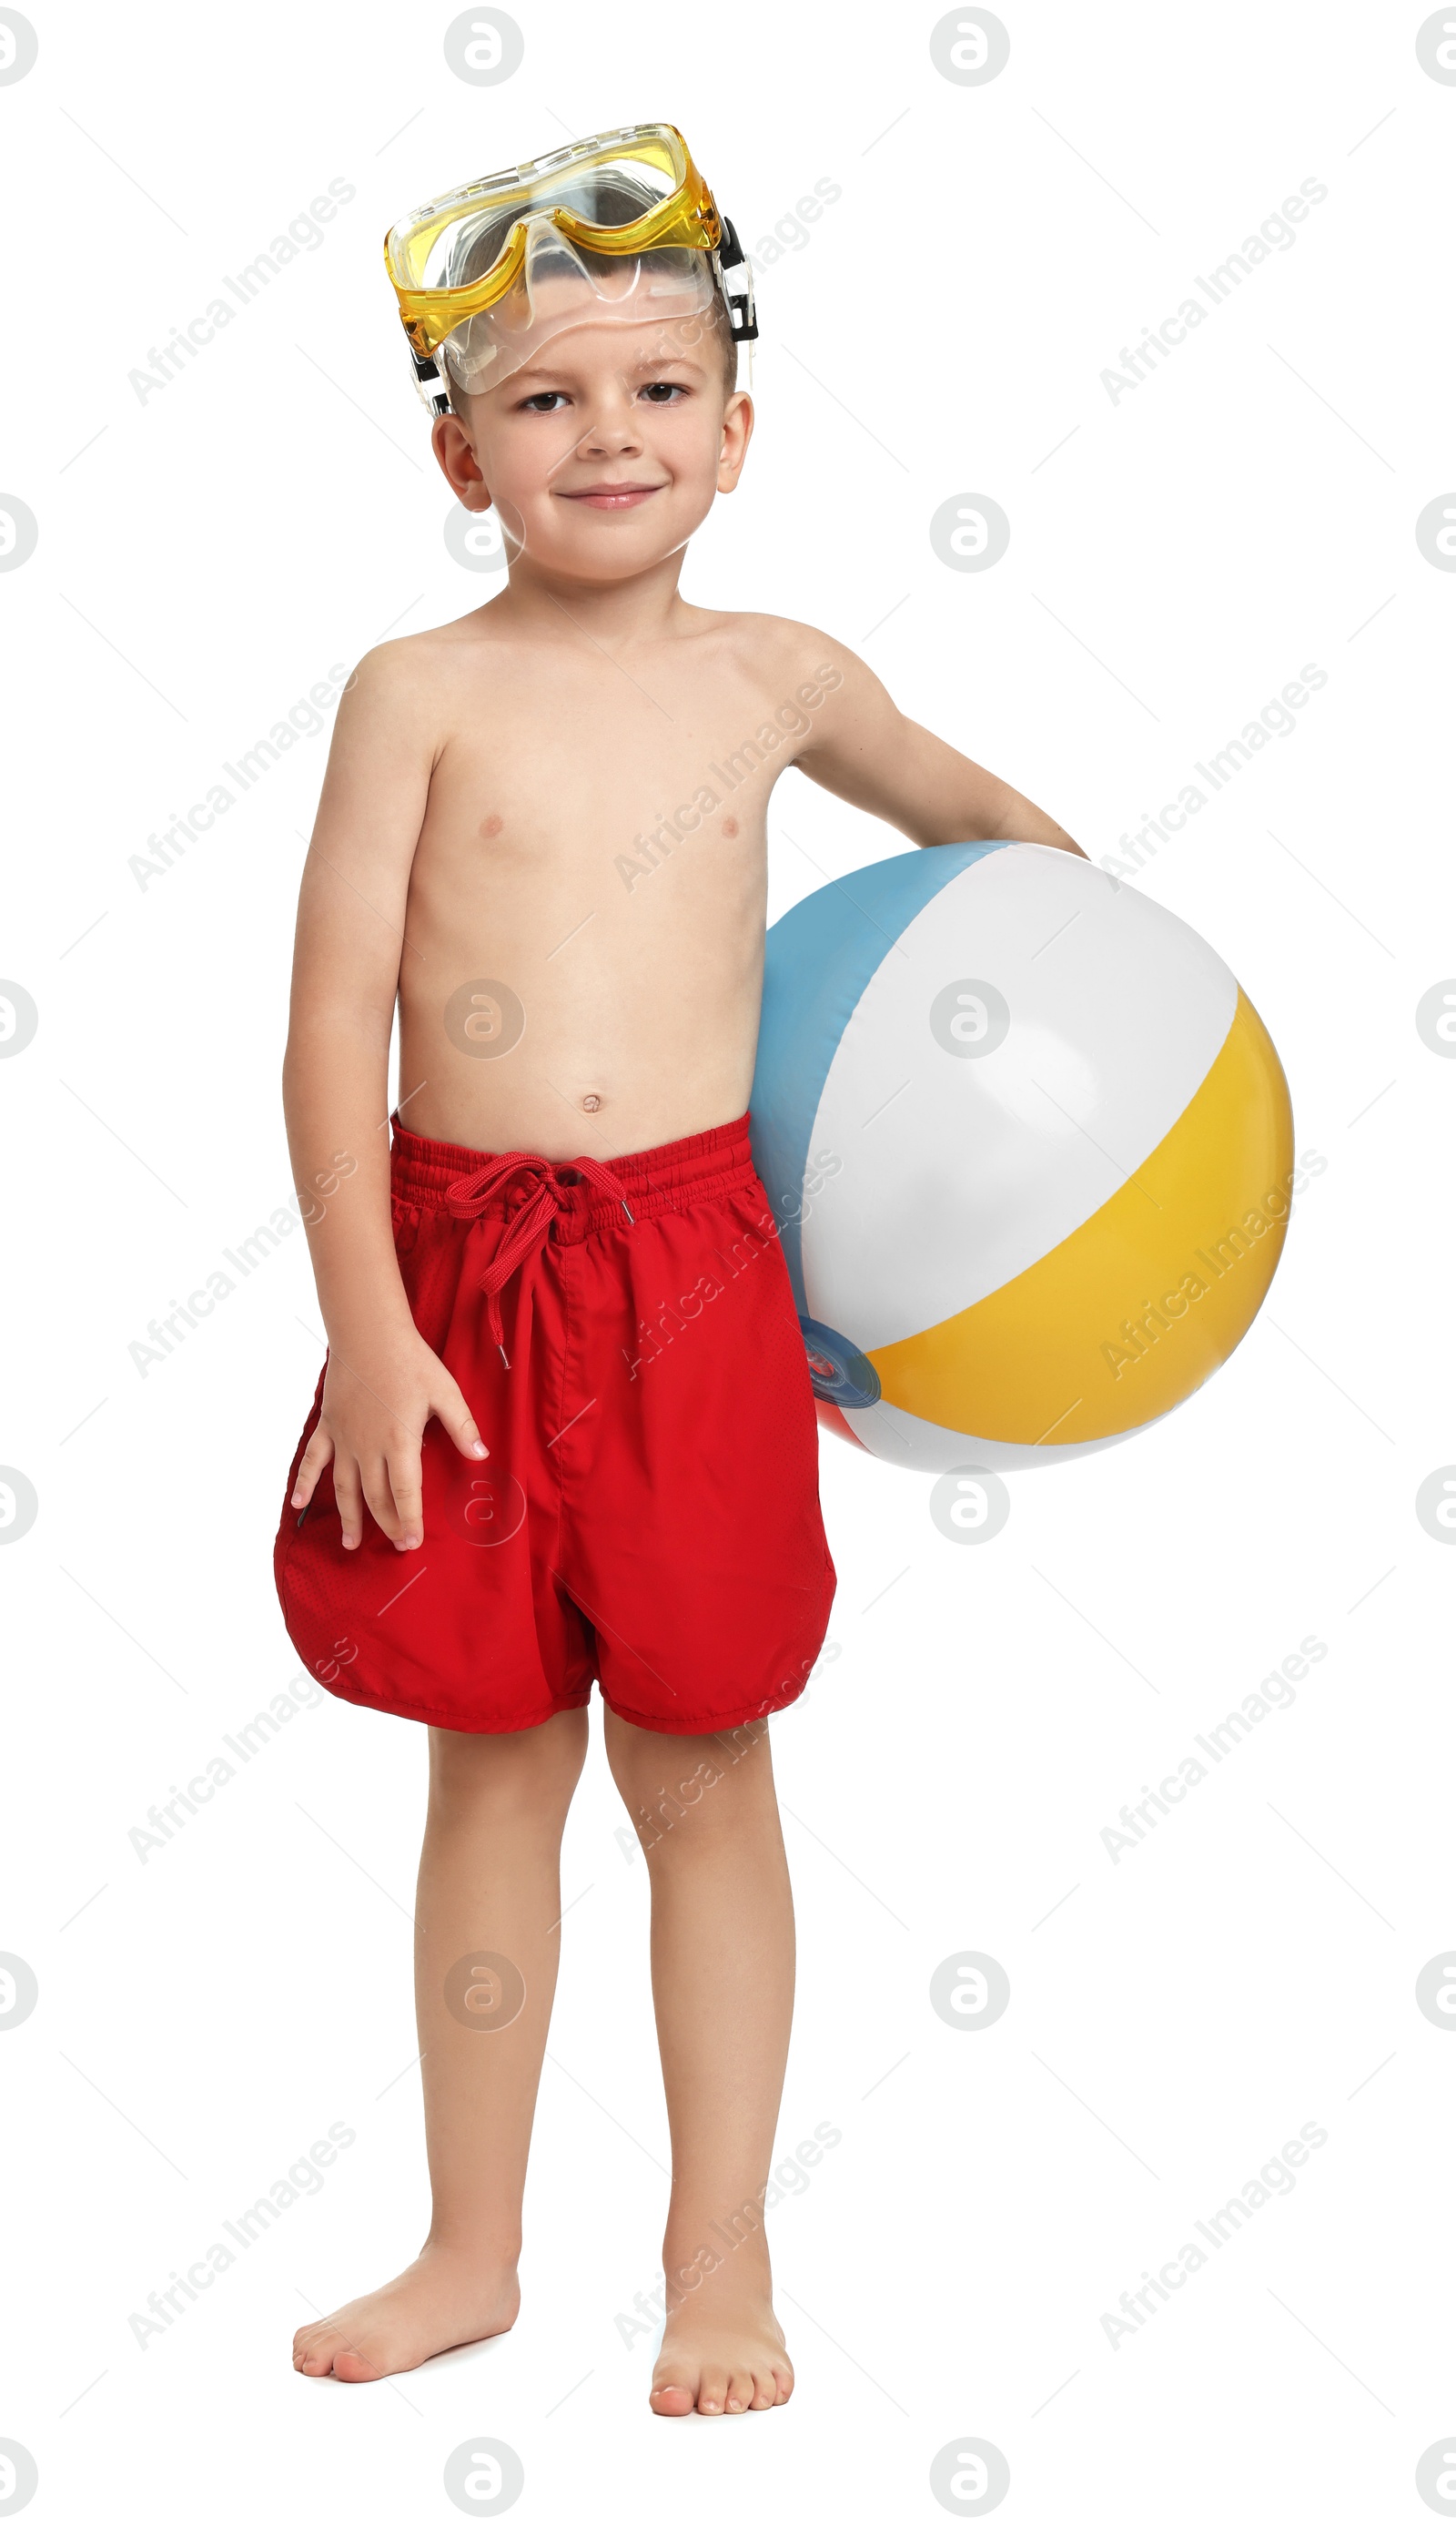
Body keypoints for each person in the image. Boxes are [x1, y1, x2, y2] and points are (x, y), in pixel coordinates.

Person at [278, 123, 1084, 2415]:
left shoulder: (779, 673)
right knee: (488, 1759)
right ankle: (465, 2246)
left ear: (736, 435)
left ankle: (717, 2261)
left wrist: (1107, 1024)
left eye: (651, 392)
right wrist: (364, 1321)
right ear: (459, 450)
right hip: (460, 1277)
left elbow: (981, 836)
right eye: (541, 401)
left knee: (708, 1762)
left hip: (702, 1274)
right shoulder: (412, 692)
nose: (602, 437)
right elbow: (333, 1021)